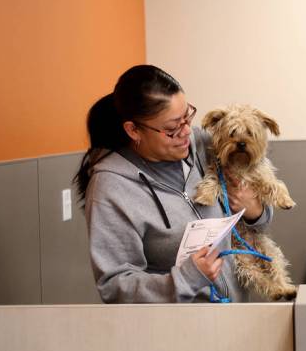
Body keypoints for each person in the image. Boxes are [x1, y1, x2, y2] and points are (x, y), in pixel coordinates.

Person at [74, 64, 271, 303]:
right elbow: (115, 286)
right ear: (133, 130)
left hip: (232, 312)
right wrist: (187, 279)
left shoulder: (203, 146)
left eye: (187, 116)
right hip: (174, 328)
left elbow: (255, 195)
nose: (187, 131)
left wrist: (256, 211)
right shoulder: (111, 188)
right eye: (172, 128)